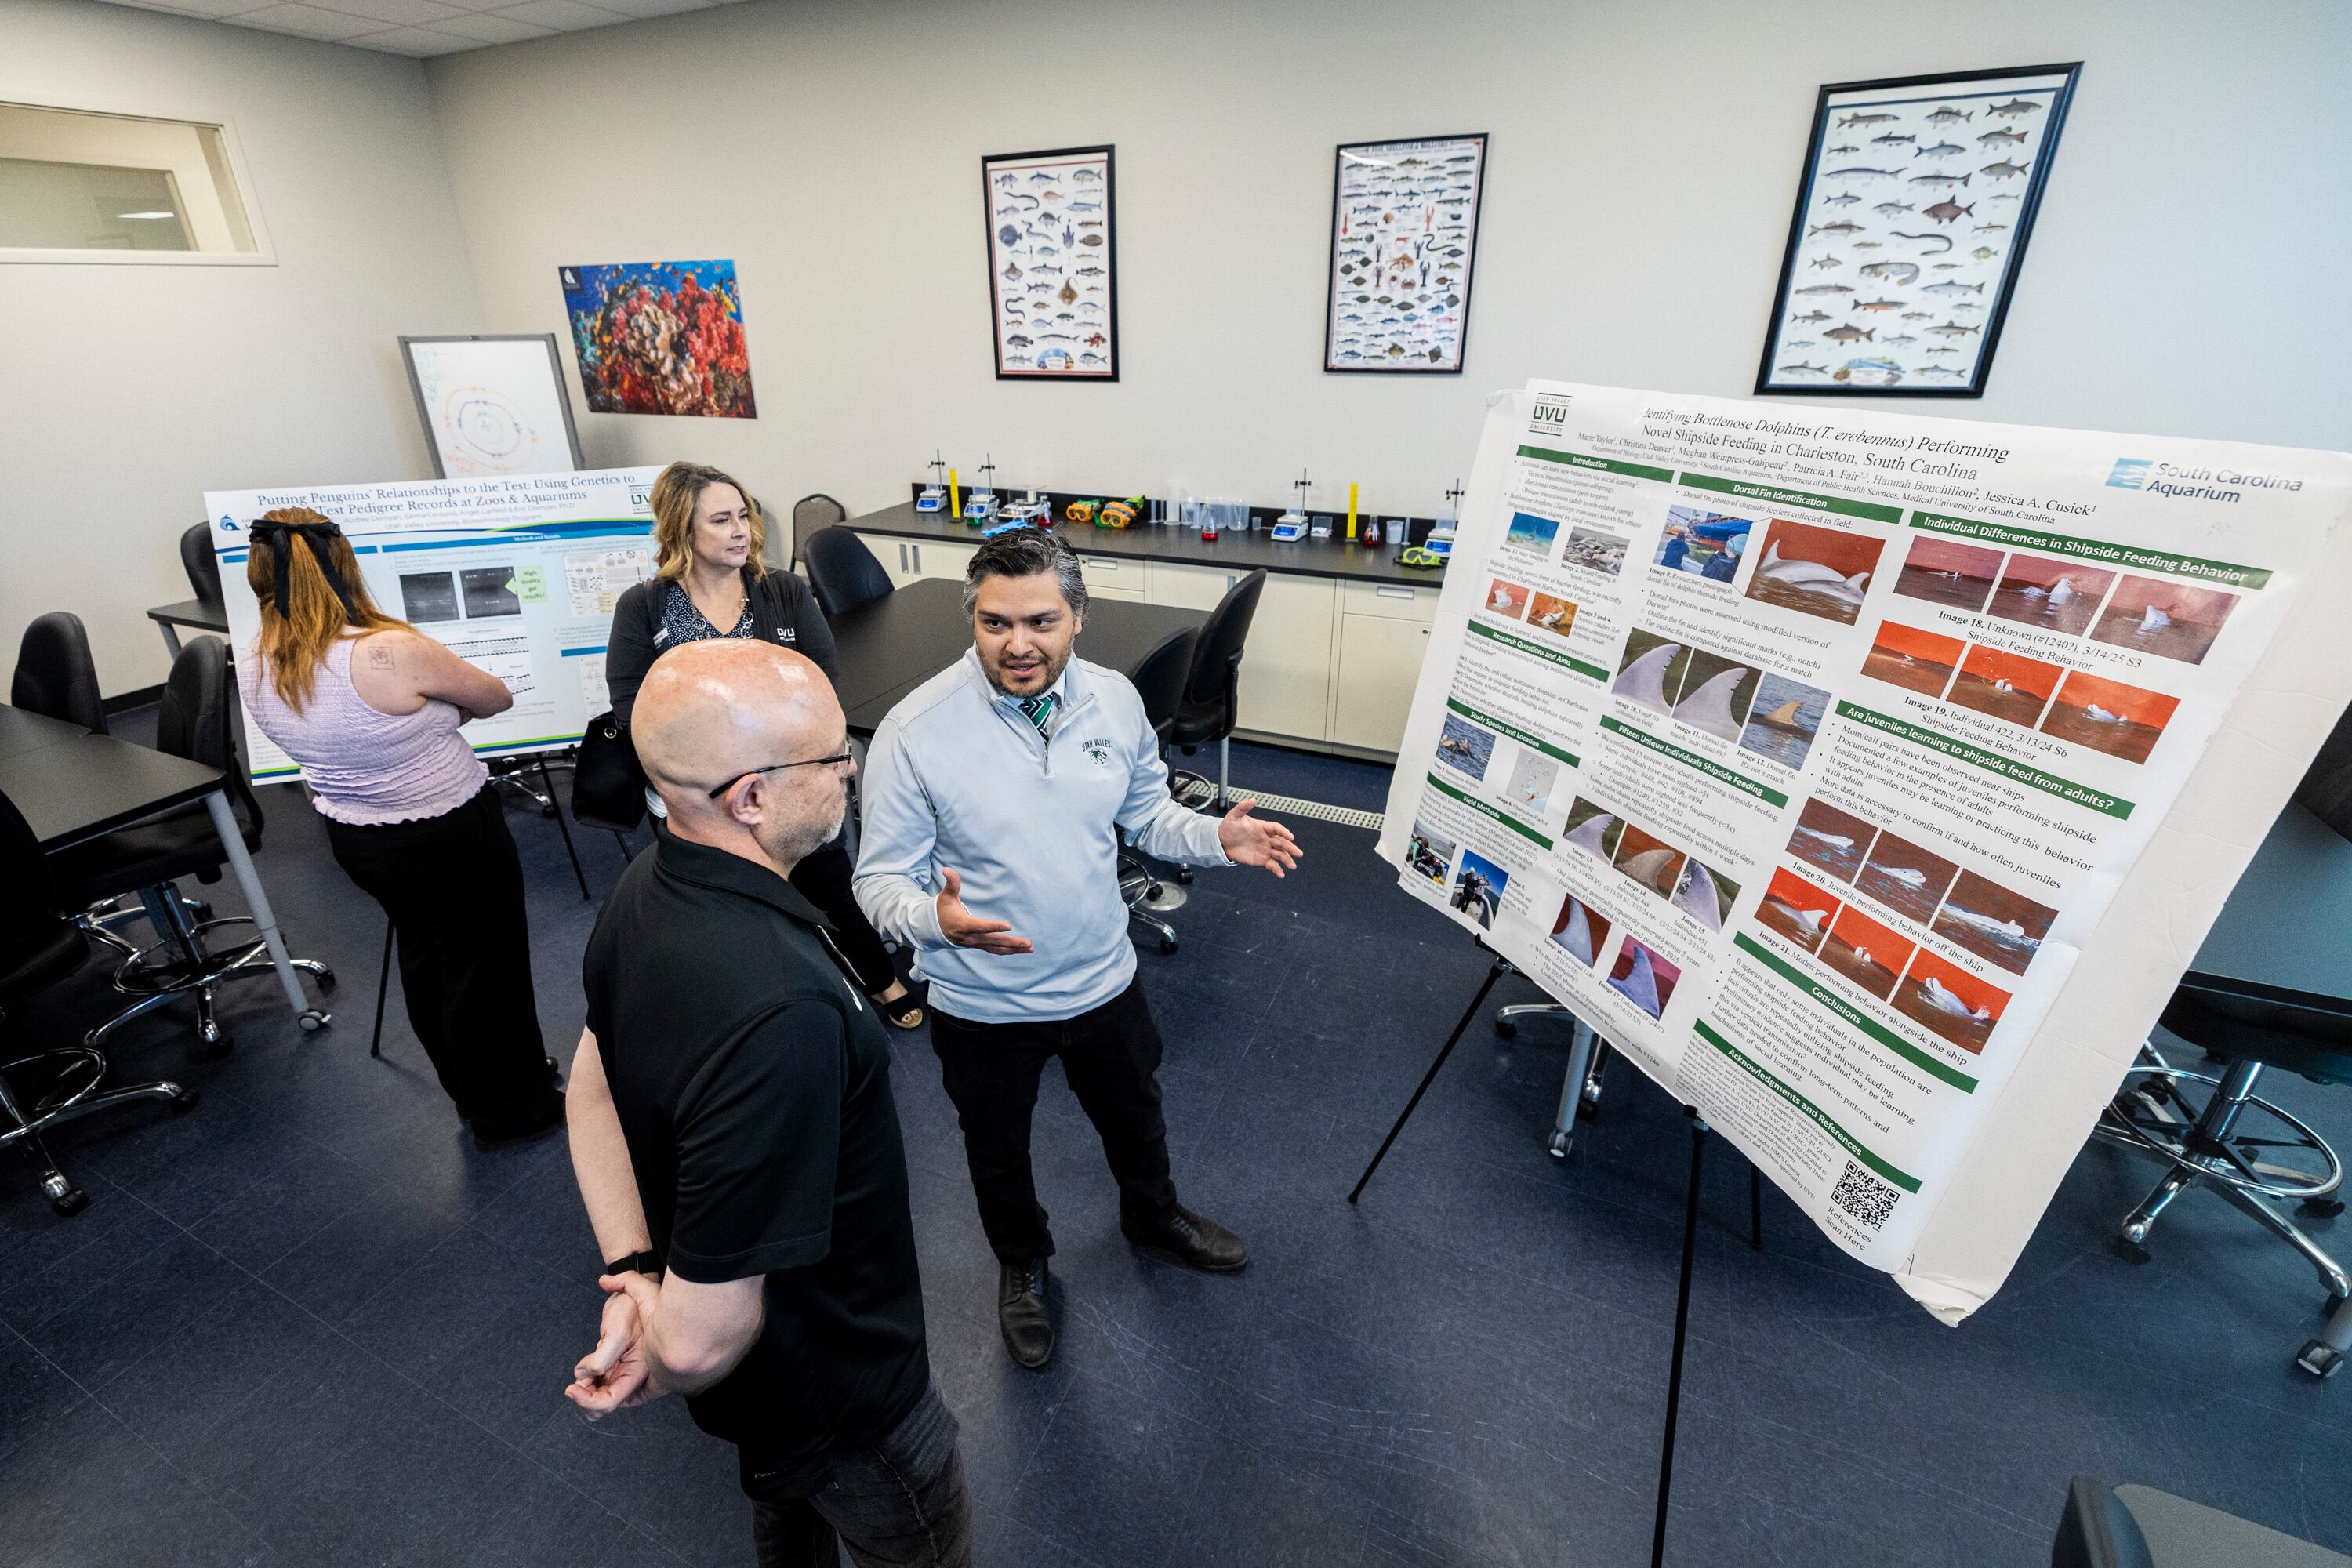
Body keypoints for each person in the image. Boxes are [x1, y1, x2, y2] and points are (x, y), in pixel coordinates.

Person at [854, 530, 1301, 1369]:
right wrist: (929, 920)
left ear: (1078, 618)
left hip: (1102, 978)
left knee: (1136, 1112)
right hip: (983, 1001)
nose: (1018, 643)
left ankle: (1152, 1213)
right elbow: (878, 881)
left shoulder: (1115, 700)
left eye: (1040, 620)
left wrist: (1214, 835)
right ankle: (1023, 1264)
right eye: (995, 623)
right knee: (997, 1147)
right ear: (974, 620)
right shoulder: (916, 732)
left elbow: (1146, 812)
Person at [565, 638, 969, 1567]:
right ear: (750, 796)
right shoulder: (782, 1007)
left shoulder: (645, 886)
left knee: (787, 1516)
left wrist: (634, 1271)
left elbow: (590, 1080)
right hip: (848, 1392)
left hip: (769, 1393)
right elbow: (705, 1343)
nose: (849, 771)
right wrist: (660, 1350)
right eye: (832, 758)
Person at [235, 509, 562, 1148]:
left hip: (358, 838)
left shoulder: (253, 660)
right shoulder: (388, 651)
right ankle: (513, 1109)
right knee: (484, 966)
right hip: (450, 832)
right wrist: (441, 715)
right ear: (343, 567)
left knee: (425, 955)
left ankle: (473, 1090)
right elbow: (494, 696)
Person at [605, 462, 924, 1029]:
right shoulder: (646, 606)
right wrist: (700, 765)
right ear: (683, 530)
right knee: (727, 904)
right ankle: (760, 1001)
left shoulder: (781, 591)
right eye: (722, 520)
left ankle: (880, 980)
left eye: (745, 517)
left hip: (787, 776)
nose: (742, 532)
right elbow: (633, 702)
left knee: (827, 885)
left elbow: (821, 680)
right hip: (704, 792)